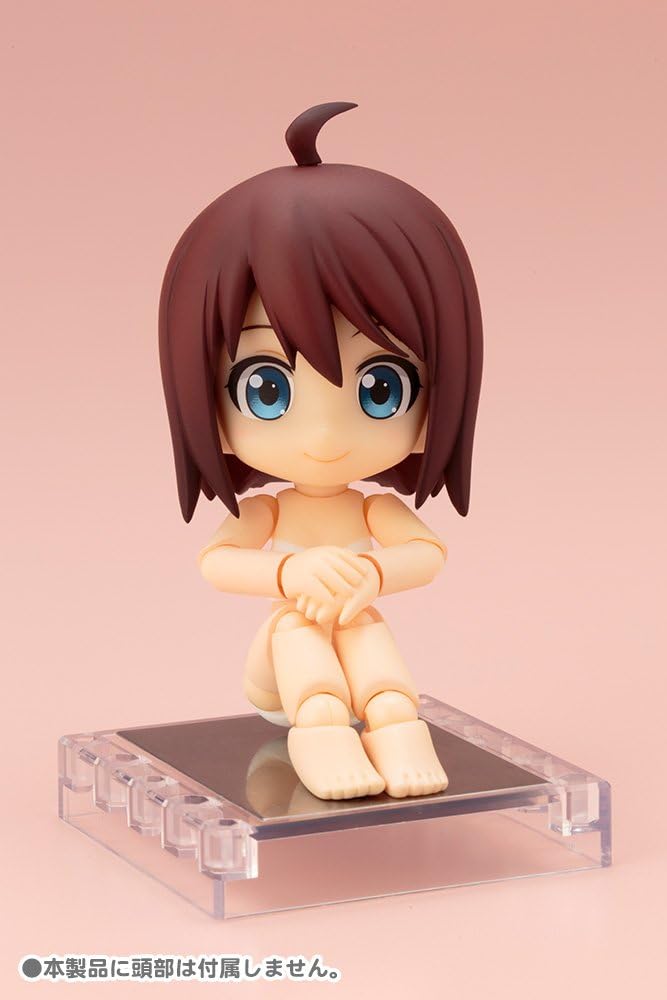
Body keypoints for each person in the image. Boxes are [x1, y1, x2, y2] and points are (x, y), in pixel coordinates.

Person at [159, 102, 483, 800]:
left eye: (381, 388)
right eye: (266, 388)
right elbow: (217, 561)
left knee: (373, 650)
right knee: (301, 636)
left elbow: (426, 553)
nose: (326, 439)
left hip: (353, 619)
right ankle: (322, 732)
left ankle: (395, 725)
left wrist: (372, 575)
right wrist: (290, 575)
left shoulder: (371, 511)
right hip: (281, 663)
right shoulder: (269, 515)